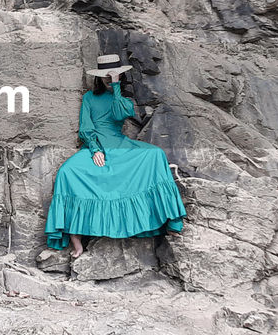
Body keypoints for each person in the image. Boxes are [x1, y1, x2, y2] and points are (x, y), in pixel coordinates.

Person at [44, 52, 187, 259]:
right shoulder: (89, 98)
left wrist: (116, 86)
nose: (109, 79)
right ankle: (76, 240)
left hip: (120, 145)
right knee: (67, 171)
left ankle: (171, 218)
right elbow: (85, 128)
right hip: (97, 146)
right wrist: (94, 150)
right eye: (106, 76)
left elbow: (121, 114)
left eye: (113, 75)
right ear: (99, 77)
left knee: (155, 155)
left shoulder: (125, 100)